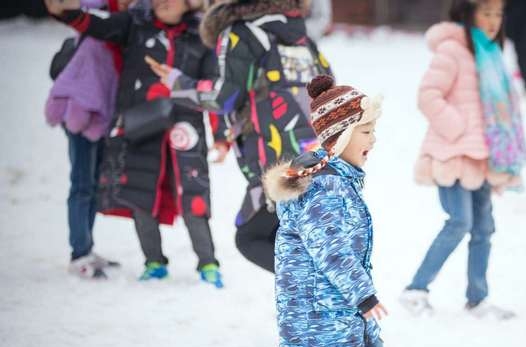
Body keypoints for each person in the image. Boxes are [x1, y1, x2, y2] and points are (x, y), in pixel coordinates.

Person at [45, 0, 226, 287]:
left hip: (185, 129)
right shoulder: (134, 24)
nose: (162, 2)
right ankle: (153, 261)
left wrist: (221, 136)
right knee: (142, 196)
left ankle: (208, 264)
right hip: (141, 127)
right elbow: (96, 25)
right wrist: (65, 12)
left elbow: (215, 90)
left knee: (194, 196)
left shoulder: (201, 35)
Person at [148, 0, 334, 273]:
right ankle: (323, 299)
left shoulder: (240, 32)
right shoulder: (298, 31)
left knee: (250, 237)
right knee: (291, 240)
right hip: (316, 154)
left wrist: (178, 83)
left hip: (276, 160)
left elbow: (224, 98)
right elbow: (329, 86)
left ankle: (332, 291)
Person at [262, 75, 386, 347]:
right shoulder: (326, 189)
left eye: (373, 130)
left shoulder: (336, 180)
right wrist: (362, 294)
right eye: (365, 130)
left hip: (330, 300)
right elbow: (331, 251)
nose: (373, 139)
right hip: (320, 304)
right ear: (341, 134)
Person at [400, 0, 526, 319]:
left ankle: (477, 299)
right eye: (486, 13)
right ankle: (415, 290)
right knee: (459, 221)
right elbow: (428, 96)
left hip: (484, 155)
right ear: (468, 13)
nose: (493, 20)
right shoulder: (452, 51)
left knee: (484, 227)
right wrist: (458, 129)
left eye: (498, 13)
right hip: (453, 153)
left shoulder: (490, 53)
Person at [45, 0, 135, 279]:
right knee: (82, 184)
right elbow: (76, 11)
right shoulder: (100, 16)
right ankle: (78, 253)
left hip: (101, 116)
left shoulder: (127, 22)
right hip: (79, 112)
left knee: (93, 184)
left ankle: (86, 247)